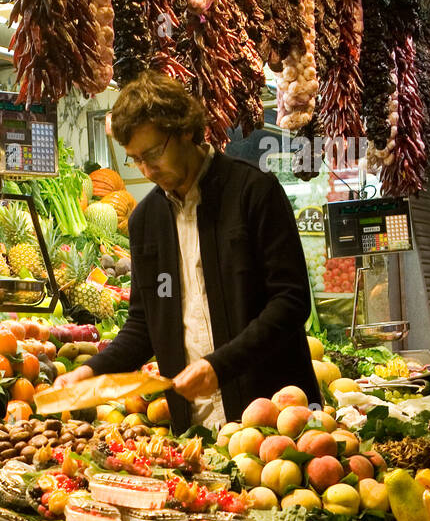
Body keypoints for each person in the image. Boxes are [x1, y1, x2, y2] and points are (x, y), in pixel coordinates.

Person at [58, 71, 319, 432]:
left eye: (153, 153)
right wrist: (90, 371)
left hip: (274, 421)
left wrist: (219, 366)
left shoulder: (254, 192)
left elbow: (290, 302)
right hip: (192, 427)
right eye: (135, 159)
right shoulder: (146, 220)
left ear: (183, 130)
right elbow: (143, 326)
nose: (147, 170)